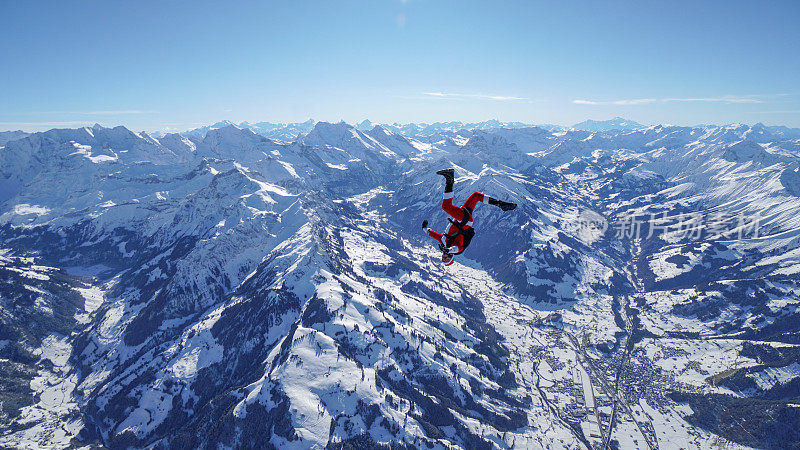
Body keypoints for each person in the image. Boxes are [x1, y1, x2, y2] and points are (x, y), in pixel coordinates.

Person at [422, 168, 516, 266]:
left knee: (476, 196)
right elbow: (456, 248)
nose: (444, 256)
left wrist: (424, 228)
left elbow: (434, 235)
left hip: (461, 219)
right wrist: (449, 249)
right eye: (446, 258)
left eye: (443, 258)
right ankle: (449, 179)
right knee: (446, 206)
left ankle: (500, 204)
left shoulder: (443, 243)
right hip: (464, 221)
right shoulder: (458, 249)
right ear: (451, 257)